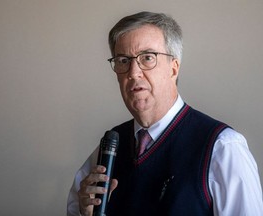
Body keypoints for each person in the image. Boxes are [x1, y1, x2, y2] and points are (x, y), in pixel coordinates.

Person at [67, 11, 263, 216]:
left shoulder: (223, 148)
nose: (133, 72)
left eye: (148, 58)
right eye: (123, 60)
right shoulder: (108, 149)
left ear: (173, 68)